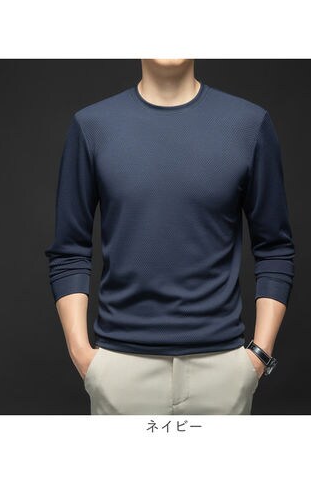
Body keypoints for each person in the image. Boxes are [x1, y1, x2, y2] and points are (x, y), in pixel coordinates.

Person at [44, 59, 295, 415]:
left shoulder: (247, 124)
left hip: (222, 369)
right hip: (120, 368)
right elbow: (70, 250)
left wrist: (259, 355)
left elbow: (275, 249)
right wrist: (82, 354)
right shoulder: (93, 126)